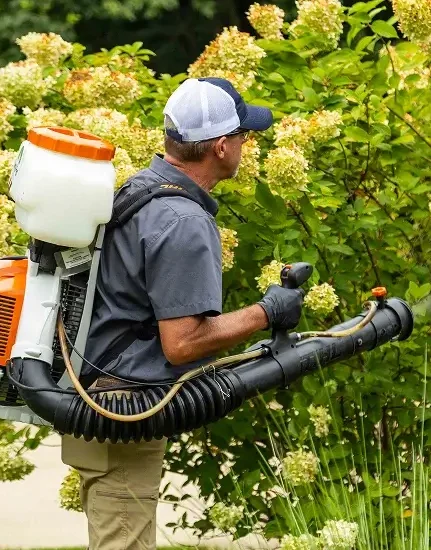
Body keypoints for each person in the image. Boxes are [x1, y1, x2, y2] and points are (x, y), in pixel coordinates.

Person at [60, 77, 306, 550]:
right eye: (242, 135)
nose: (245, 144)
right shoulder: (184, 220)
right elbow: (183, 343)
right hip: (123, 411)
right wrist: (268, 311)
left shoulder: (140, 188)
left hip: (103, 399)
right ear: (220, 146)